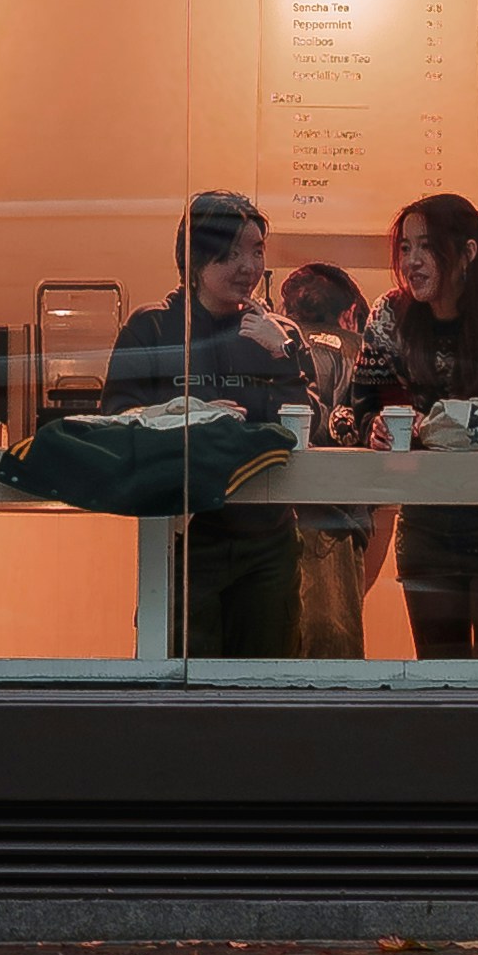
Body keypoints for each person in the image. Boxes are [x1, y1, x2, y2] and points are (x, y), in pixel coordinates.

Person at [100, 189, 307, 659]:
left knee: (266, 686)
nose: (248, 267)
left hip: (268, 539)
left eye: (256, 251)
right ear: (194, 258)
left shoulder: (279, 333)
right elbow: (117, 420)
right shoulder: (151, 329)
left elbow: (309, 433)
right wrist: (188, 415)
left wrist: (283, 354)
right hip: (185, 538)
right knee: (178, 684)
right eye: (231, 253)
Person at [351, 193, 478, 658]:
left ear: (468, 253)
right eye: (405, 248)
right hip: (427, 518)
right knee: (439, 676)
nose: (412, 262)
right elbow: (356, 406)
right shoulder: (389, 315)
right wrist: (372, 428)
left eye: (427, 247)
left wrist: (429, 428)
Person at [277, 254, 384, 663]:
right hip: (335, 524)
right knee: (329, 663)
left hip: (269, 523)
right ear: (351, 313)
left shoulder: (275, 349)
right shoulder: (362, 352)